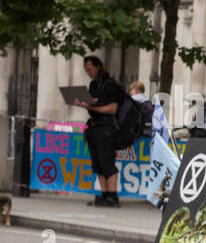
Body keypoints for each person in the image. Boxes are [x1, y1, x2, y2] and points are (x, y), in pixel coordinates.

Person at [74, 55, 125, 207]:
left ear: (98, 67)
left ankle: (112, 196)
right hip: (94, 127)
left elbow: (112, 108)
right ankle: (104, 195)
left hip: (107, 128)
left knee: (107, 162)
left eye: (90, 69)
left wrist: (92, 106)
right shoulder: (93, 85)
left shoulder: (110, 85)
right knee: (98, 164)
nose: (88, 72)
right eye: (86, 70)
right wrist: (86, 104)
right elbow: (93, 107)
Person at [130, 82, 181, 209]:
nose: (130, 93)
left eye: (132, 90)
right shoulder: (147, 103)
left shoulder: (133, 101)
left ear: (136, 90)